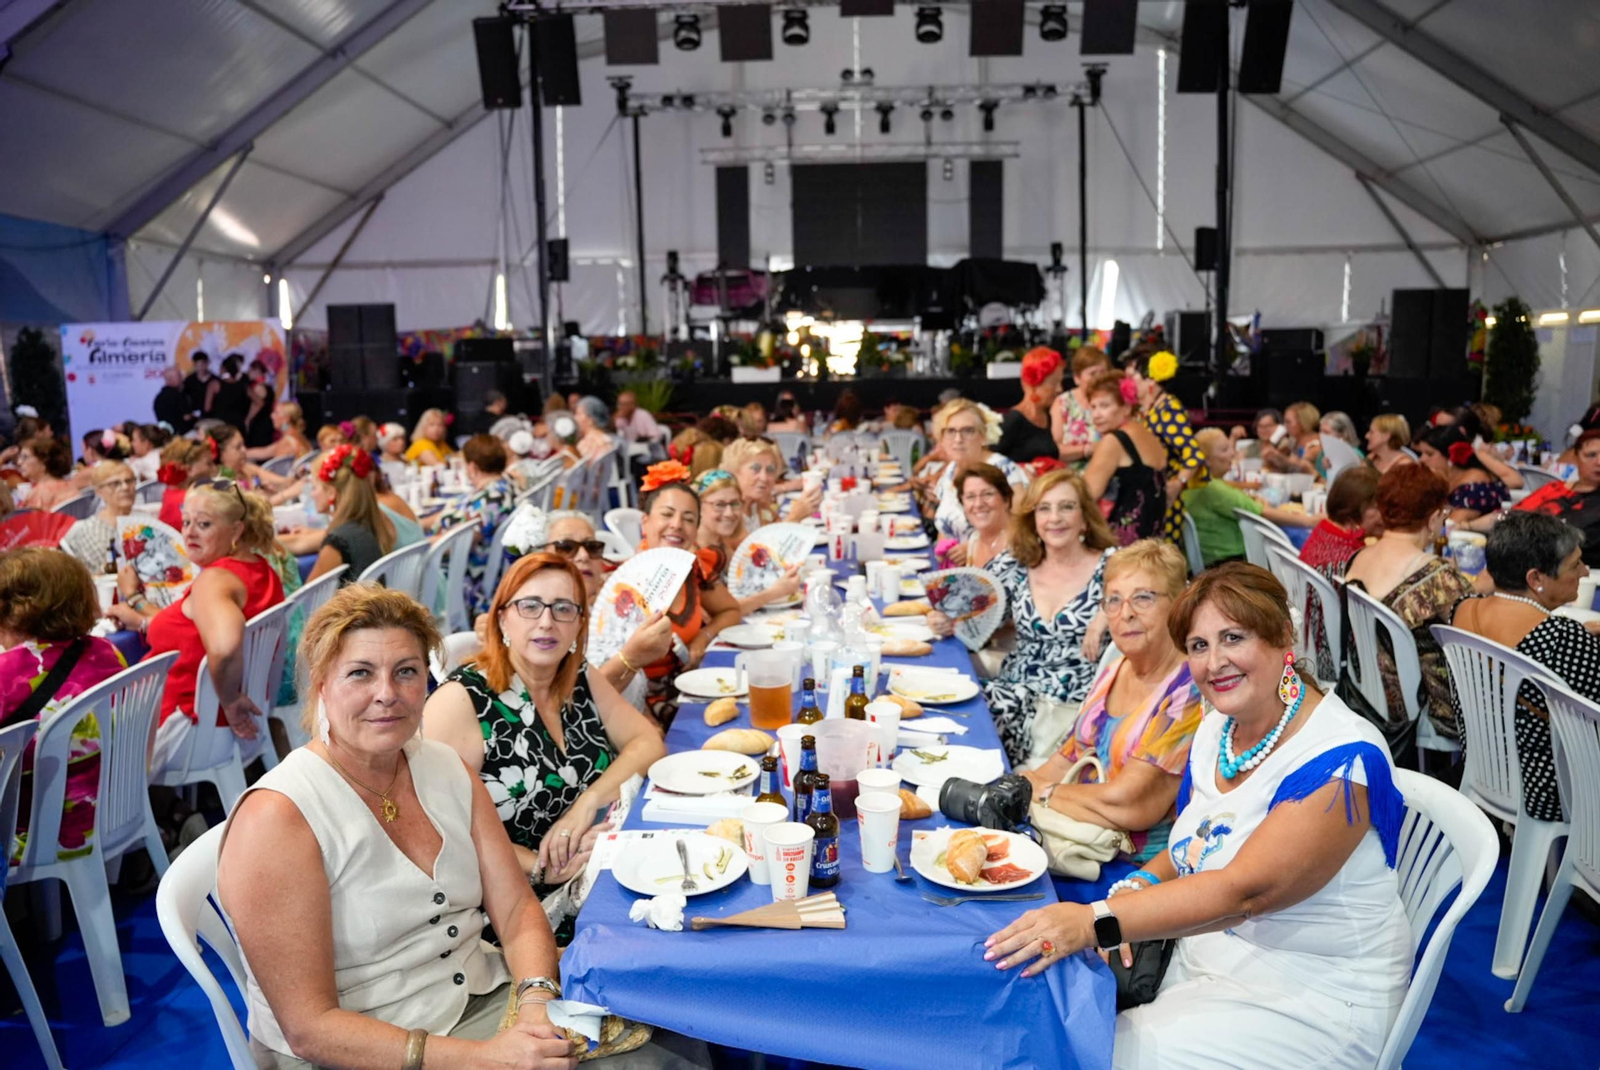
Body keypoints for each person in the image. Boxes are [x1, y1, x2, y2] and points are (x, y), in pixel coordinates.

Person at [986, 562, 1409, 1070]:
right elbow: (1193, 844)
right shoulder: (1219, 728)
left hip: (1305, 995)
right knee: (1044, 1012)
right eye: (1198, 645)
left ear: (1282, 638)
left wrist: (1095, 921)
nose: (1215, 663)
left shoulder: (1341, 759)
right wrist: (1136, 885)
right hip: (1203, 955)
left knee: (1083, 1051)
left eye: (1234, 637)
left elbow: (1244, 892)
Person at [215, 585, 582, 1070]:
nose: (386, 694)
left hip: (482, 1001)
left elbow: (515, 909)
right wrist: (489, 1058)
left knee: (666, 1047)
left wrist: (535, 1004)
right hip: (364, 1049)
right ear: (322, 685)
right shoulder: (278, 818)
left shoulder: (445, 767)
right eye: (360, 674)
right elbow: (310, 1028)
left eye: (406, 672)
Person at [425, 552, 667, 895]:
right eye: (530, 606)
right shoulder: (462, 701)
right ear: (502, 619)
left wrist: (586, 805)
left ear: (579, 624)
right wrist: (539, 867)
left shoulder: (576, 677)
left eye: (563, 608)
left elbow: (648, 743)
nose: (546, 622)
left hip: (596, 868)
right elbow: (438, 829)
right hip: (518, 899)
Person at [1020, 540, 1203, 865]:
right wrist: (1023, 787)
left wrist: (1044, 793)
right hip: (1073, 842)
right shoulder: (1113, 671)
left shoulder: (1187, 690)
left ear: (1178, 604)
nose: (1126, 613)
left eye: (1143, 598)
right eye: (1114, 601)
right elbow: (1064, 760)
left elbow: (1131, 804)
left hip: (1133, 867)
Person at [932, 470, 1116, 764]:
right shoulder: (1016, 563)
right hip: (1014, 693)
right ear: (1033, 518)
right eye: (1044, 508)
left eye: (1067, 507)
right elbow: (968, 614)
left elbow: (1166, 593)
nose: (1054, 518)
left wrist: (1108, 609)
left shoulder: (1113, 565)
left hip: (1074, 705)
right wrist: (944, 620)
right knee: (950, 730)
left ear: (1084, 517)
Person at [111, 481, 285, 774]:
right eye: (186, 522)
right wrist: (140, 610)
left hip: (191, 727)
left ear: (236, 530)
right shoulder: (260, 569)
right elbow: (196, 630)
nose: (189, 532)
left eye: (203, 524)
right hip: (211, 722)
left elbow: (225, 648)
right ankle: (178, 814)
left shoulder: (216, 579)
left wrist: (230, 702)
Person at [1449, 512, 1596, 824]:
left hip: (1487, 768)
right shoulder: (1562, 637)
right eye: (1575, 565)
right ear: (1535, 579)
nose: (1584, 573)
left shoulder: (1462, 609)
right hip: (1550, 788)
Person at [0, 548, 128, 861]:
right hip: (112, 808)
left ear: (17, 609)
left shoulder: (9, 672)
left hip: (35, 830)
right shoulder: (106, 651)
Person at [1342, 464, 1471, 747]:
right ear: (1434, 517)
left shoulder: (1357, 558)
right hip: (1424, 706)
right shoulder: (1437, 577)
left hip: (1364, 691)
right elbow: (1475, 636)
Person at [633, 461, 741, 727]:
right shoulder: (626, 584)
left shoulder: (691, 569)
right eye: (667, 515)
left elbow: (731, 611)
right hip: (642, 708)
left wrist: (702, 638)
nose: (677, 525)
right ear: (645, 522)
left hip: (692, 692)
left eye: (689, 519)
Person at [1181, 429, 1317, 566]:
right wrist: (1309, 521)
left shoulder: (1196, 483)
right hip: (1230, 565)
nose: (1232, 453)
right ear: (1207, 460)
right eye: (1224, 450)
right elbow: (1261, 512)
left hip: (1213, 560)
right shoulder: (1211, 488)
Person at [1481, 428, 1600, 566]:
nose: (1599, 462)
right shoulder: (1555, 489)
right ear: (1575, 457)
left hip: (1565, 569)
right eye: (1591, 455)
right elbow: (1511, 516)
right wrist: (1466, 525)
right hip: (1517, 556)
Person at [428, 435, 516, 619]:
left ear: (473, 466)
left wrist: (422, 544)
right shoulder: (501, 486)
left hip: (467, 575)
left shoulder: (490, 499)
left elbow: (459, 543)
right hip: (477, 565)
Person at [694, 468, 801, 615]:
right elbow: (717, 614)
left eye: (735, 504)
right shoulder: (694, 554)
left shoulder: (720, 543)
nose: (729, 513)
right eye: (719, 504)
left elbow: (751, 577)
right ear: (698, 506)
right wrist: (774, 592)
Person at [1127, 350, 1207, 543]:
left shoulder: (1168, 408)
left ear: (1150, 381)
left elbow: (1193, 454)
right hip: (1148, 498)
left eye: (1133, 377)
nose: (1129, 383)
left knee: (1159, 561)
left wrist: (1178, 483)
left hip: (1162, 502)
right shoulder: (1150, 408)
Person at [923, 399, 1029, 541]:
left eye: (968, 431)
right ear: (941, 438)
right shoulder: (951, 470)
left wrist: (973, 547)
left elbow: (1020, 528)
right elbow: (946, 529)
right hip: (955, 562)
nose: (958, 439)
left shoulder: (1004, 470)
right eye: (950, 431)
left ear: (983, 436)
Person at [1083, 373, 1169, 547]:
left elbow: (1085, 495)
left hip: (1121, 548)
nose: (1096, 415)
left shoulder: (1114, 441)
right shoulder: (1150, 437)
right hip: (1153, 544)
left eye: (1104, 406)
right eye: (1093, 407)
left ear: (1127, 408)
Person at [298, 446, 397, 585]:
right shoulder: (374, 525)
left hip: (355, 607)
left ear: (332, 492)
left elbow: (308, 600)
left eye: (314, 487)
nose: (312, 494)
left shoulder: (339, 542)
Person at [1417, 424, 1509, 523]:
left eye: (1429, 454)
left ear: (1450, 457)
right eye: (1421, 454)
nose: (1422, 459)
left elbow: (1452, 524)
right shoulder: (1444, 479)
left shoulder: (1475, 486)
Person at [722, 437, 820, 528]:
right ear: (734, 471)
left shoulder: (759, 506)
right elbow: (754, 546)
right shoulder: (727, 512)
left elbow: (774, 533)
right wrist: (795, 517)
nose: (764, 478)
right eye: (755, 469)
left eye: (770, 470)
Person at [59, 461, 137, 571]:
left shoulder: (146, 520)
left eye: (129, 481)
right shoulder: (91, 532)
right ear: (99, 491)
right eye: (115, 484)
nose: (125, 487)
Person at [937, 464, 1015, 569]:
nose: (978, 504)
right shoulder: (974, 541)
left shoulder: (1023, 543)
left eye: (987, 494)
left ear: (1006, 499)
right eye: (970, 497)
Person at [996, 347, 1065, 465]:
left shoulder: (1046, 416)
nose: (1059, 389)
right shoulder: (1012, 421)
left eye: (1060, 382)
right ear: (1034, 384)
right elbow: (990, 463)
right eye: (1053, 383)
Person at [1053, 346, 1112, 470]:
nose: (1099, 378)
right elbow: (1054, 449)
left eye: (1103, 372)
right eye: (1093, 373)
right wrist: (1087, 450)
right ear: (1077, 378)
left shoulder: (1115, 402)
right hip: (1072, 476)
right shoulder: (1063, 403)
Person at [154, 438, 217, 529]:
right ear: (189, 469)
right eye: (209, 464)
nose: (214, 469)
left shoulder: (171, 494)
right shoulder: (189, 502)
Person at [1260, 401, 1322, 476]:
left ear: (1302, 423)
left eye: (1288, 422)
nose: (1285, 426)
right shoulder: (1293, 441)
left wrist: (1277, 456)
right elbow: (1279, 459)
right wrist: (1271, 453)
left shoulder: (1315, 444)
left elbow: (1301, 467)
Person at [17, 435, 77, 511]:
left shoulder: (37, 494)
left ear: (43, 462)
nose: (19, 462)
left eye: (25, 457)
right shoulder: (70, 486)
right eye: (20, 457)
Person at [245, 401, 314, 462]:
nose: (271, 416)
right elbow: (265, 451)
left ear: (286, 418)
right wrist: (241, 452)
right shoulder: (297, 435)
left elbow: (279, 471)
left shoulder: (287, 441)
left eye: (276, 413)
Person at [206, 354, 250, 429]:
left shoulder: (214, 384)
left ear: (223, 369)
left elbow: (207, 408)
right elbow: (259, 402)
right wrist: (248, 419)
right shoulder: (243, 386)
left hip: (220, 425)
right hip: (237, 425)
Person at [568, 396, 617, 463]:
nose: (575, 418)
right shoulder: (608, 438)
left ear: (590, 420)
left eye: (578, 414)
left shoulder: (586, 445)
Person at [154, 366, 193, 434]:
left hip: (166, 435)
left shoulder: (158, 398)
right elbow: (187, 417)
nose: (182, 379)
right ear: (171, 379)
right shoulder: (178, 396)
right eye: (179, 376)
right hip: (183, 435)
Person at [241, 378, 276, 449]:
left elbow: (284, 425)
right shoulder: (247, 408)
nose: (256, 390)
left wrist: (287, 428)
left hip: (264, 445)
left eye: (260, 390)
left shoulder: (270, 414)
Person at [181, 353, 213, 422]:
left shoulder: (215, 380)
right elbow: (184, 398)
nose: (201, 367)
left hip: (212, 416)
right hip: (194, 417)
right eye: (198, 365)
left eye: (203, 364)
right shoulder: (189, 381)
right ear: (194, 365)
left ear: (207, 363)